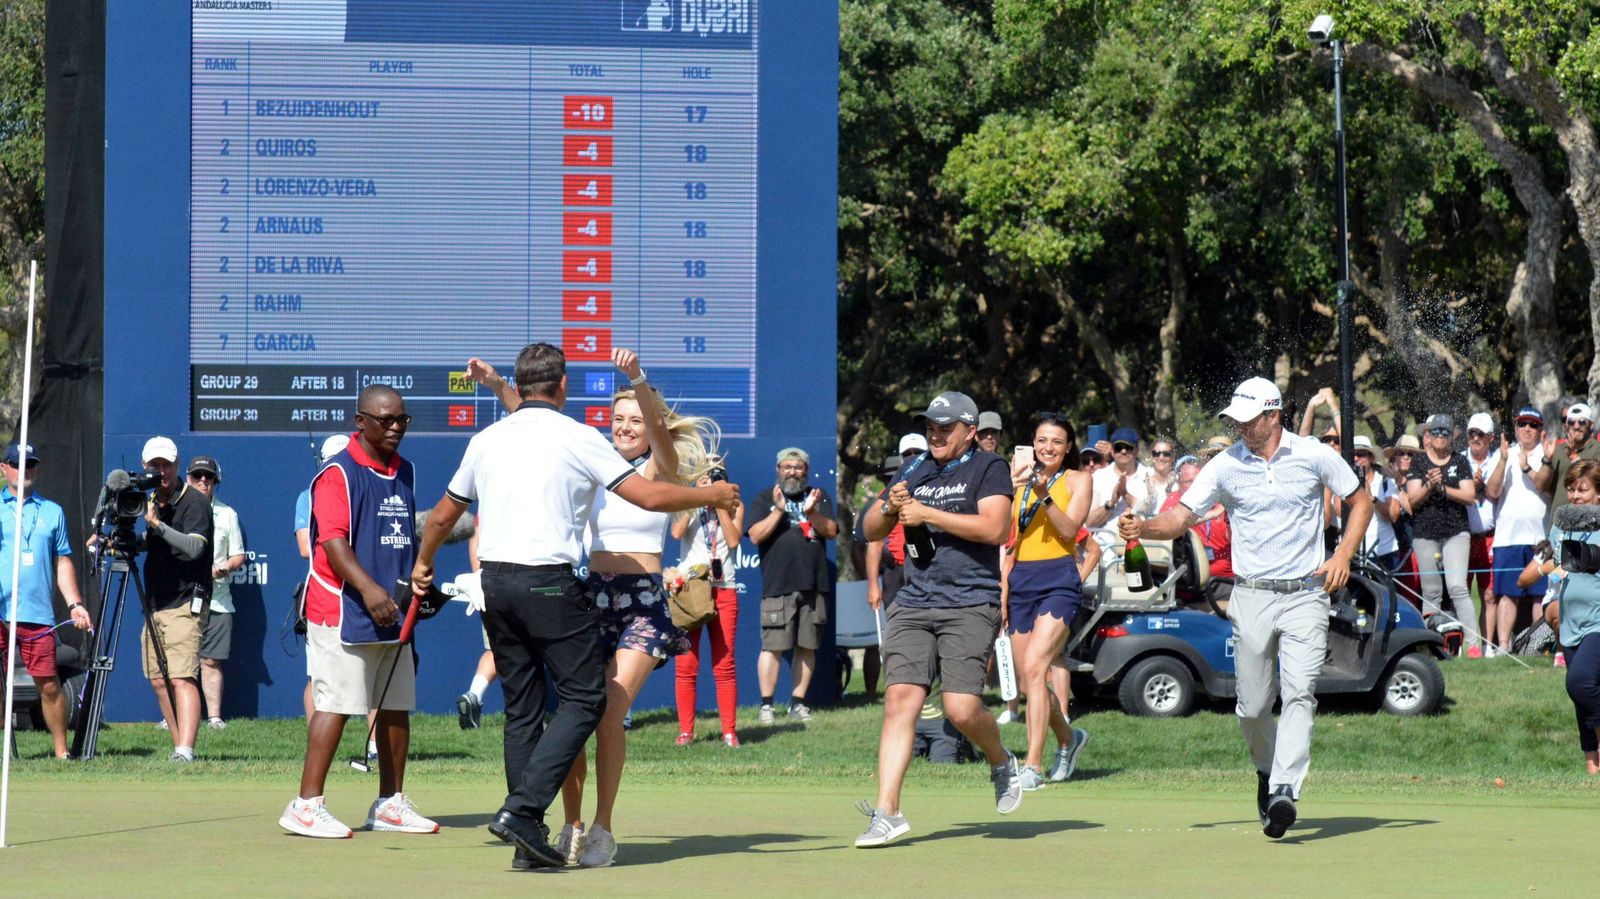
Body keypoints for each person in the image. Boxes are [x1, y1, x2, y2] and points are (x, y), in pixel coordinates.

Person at [410, 342, 737, 870]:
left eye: (636, 419)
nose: (627, 427)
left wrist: (639, 381)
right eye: (619, 417)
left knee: (599, 710)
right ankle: (556, 825)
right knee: (570, 713)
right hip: (588, 594)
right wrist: (499, 387)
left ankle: (595, 824)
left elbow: (658, 463)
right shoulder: (582, 447)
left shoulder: (645, 459)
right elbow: (531, 424)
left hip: (639, 603)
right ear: (567, 392)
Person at [1121, 376, 1371, 840]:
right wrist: (1145, 528)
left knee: (1299, 693)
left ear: (1273, 416)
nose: (1239, 428)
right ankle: (1265, 769)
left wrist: (1342, 555)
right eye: (1234, 420)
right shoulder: (1226, 466)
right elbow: (1181, 518)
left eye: (1248, 420)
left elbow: (1361, 501)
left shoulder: (1314, 454)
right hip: (1251, 594)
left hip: (1305, 593)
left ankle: (1284, 789)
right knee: (1252, 707)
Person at [856, 391, 1022, 848]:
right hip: (913, 600)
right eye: (930, 425)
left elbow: (995, 529)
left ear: (970, 431)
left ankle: (999, 758)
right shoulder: (914, 467)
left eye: (945, 427)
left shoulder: (989, 467)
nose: (935, 434)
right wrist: (890, 507)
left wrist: (928, 513)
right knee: (899, 704)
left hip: (970, 601)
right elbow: (870, 529)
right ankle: (887, 813)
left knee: (961, 708)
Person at [280, 386, 438, 839]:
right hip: (342, 606)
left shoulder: (404, 470)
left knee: (395, 704)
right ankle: (306, 804)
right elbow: (332, 541)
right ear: (361, 421)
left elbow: (402, 537)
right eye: (385, 420)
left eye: (402, 420)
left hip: (393, 609)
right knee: (337, 702)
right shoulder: (337, 474)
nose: (395, 428)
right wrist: (368, 588)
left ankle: (390, 803)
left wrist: (415, 583)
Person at [999, 413, 1092, 790]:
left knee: (1038, 666)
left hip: (1059, 577)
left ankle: (1032, 765)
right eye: (1041, 441)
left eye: (1056, 441)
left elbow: (1070, 531)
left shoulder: (1078, 479)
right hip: (1022, 578)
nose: (1048, 448)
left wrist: (1042, 491)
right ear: (1032, 444)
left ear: (1068, 446)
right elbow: (1007, 535)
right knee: (1028, 681)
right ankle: (1069, 739)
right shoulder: (1017, 480)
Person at [0, 443, 91, 759]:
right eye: (16, 463)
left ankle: (61, 751)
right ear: (4, 468)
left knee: (49, 685)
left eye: (30, 464)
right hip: (1, 611)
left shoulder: (52, 512)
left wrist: (75, 604)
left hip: (37, 614)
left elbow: (62, 562)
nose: (24, 470)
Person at [747, 447, 838, 724]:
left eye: (798, 467)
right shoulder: (766, 497)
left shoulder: (818, 496)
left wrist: (812, 513)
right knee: (773, 646)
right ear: (778, 470)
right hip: (778, 584)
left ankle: (798, 704)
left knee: (806, 646)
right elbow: (755, 536)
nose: (792, 472)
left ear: (806, 471)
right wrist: (778, 511)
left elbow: (831, 531)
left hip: (814, 583)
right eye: (787, 467)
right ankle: (766, 706)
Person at [138, 436, 214, 763]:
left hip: (186, 602)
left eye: (166, 464)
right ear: (144, 468)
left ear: (177, 465)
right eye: (154, 466)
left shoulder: (194, 502)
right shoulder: (153, 499)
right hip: (155, 603)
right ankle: (177, 748)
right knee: (158, 679)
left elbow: (195, 547)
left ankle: (186, 749)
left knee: (182, 677)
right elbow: (153, 542)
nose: (161, 471)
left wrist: (156, 524)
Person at [672, 456, 745, 745]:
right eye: (706, 475)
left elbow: (734, 539)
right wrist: (697, 497)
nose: (712, 479)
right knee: (686, 663)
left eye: (718, 475)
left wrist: (719, 503)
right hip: (690, 588)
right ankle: (686, 732)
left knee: (724, 663)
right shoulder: (686, 502)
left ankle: (729, 732)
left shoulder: (736, 505)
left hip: (723, 587)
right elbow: (677, 532)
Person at [1543, 461, 1600, 774]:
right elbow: (1557, 566)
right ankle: (1593, 769)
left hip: (1598, 620)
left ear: (1598, 494)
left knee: (1579, 682)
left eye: (1584, 489)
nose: (1576, 495)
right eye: (1572, 489)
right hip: (1570, 621)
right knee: (1582, 698)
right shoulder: (1559, 526)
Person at [1405, 414, 1479, 652]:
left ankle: (1473, 645)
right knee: (1431, 590)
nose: (1439, 436)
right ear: (1428, 434)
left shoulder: (1460, 461)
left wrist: (1442, 488)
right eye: (1434, 432)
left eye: (1444, 432)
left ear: (1452, 436)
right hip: (1425, 532)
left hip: (1455, 531)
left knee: (1457, 587)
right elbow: (1412, 500)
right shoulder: (1418, 462)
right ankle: (1432, 645)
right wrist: (1429, 486)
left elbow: (1469, 496)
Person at [1487, 405, 1552, 654]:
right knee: (1507, 594)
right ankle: (1503, 647)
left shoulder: (1546, 454)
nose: (1527, 429)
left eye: (1533, 425)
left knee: (1541, 595)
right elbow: (1492, 492)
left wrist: (1528, 466)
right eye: (1522, 424)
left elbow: (1546, 487)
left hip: (1541, 538)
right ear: (1515, 428)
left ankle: (1536, 646)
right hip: (1508, 538)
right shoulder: (1503, 454)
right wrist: (1504, 461)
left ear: (1540, 429)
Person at [187, 456, 246, 729]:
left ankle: (213, 718)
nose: (202, 481)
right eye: (197, 476)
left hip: (218, 598)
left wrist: (225, 567)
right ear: (188, 479)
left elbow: (238, 556)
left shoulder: (228, 514)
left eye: (207, 477)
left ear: (215, 482)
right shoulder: (177, 511)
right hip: (182, 597)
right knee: (180, 662)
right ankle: (174, 716)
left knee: (210, 660)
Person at [297, 433, 350, 721]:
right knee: (317, 675)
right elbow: (307, 549)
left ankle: (374, 746)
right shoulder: (308, 496)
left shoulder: (366, 490)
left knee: (374, 678)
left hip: (362, 597)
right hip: (325, 596)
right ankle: (316, 740)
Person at [861, 453, 910, 702]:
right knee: (895, 633)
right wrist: (872, 585)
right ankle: (896, 686)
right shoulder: (881, 503)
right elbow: (873, 543)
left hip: (921, 569)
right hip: (894, 572)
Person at [1464, 413, 1500, 656]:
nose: (1475, 439)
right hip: (1464, 537)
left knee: (1489, 594)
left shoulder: (1498, 460)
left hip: (1490, 535)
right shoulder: (1458, 460)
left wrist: (1481, 486)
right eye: (1471, 434)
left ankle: (1488, 645)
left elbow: (1496, 493)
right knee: (1462, 593)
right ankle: (1468, 644)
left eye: (1481, 434)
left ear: (1491, 438)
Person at [1539, 402, 1600, 518]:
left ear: (1591, 425)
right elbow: (1540, 486)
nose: (1576, 426)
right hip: (1558, 525)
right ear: (1566, 425)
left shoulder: (1597, 449)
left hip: (1588, 525)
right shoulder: (1556, 449)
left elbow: (1591, 483)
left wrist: (1572, 455)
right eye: (1571, 422)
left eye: (1582, 422)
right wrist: (1547, 460)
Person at [1085, 427, 1152, 533]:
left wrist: (1125, 494)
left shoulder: (1149, 475)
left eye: (1128, 447)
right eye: (1118, 448)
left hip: (1140, 545)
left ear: (1137, 450)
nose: (1123, 451)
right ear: (1112, 451)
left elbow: (1151, 516)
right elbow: (1089, 522)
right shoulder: (1099, 477)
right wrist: (1111, 503)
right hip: (1106, 545)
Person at [1135, 436, 1180, 516]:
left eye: (1166, 454)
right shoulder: (1142, 479)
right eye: (1156, 453)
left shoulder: (1179, 483)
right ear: (1152, 456)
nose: (1161, 458)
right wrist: (1150, 496)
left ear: (1173, 457)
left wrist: (1169, 494)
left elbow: (1179, 516)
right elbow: (1136, 514)